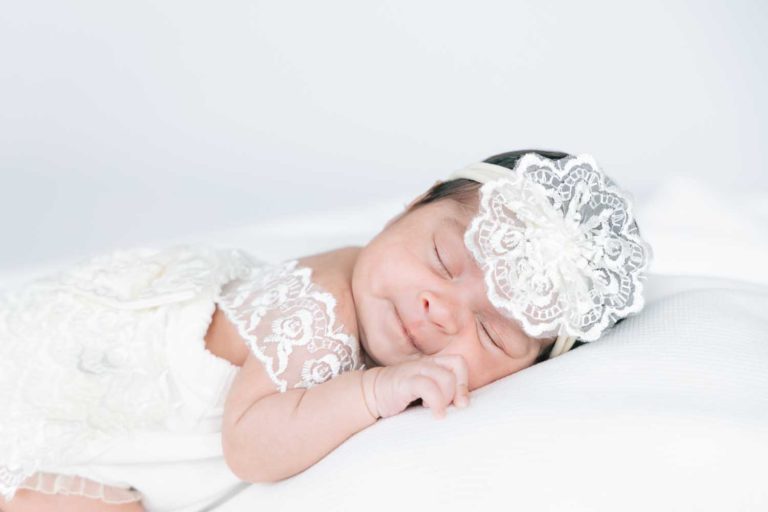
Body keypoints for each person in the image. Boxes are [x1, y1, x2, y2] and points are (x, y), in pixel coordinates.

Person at [0, 149, 652, 511]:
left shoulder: (378, 290)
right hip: (81, 401)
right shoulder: (325, 306)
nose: (440, 308)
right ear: (408, 207)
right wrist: (374, 394)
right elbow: (252, 448)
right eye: (443, 260)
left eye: (490, 330)